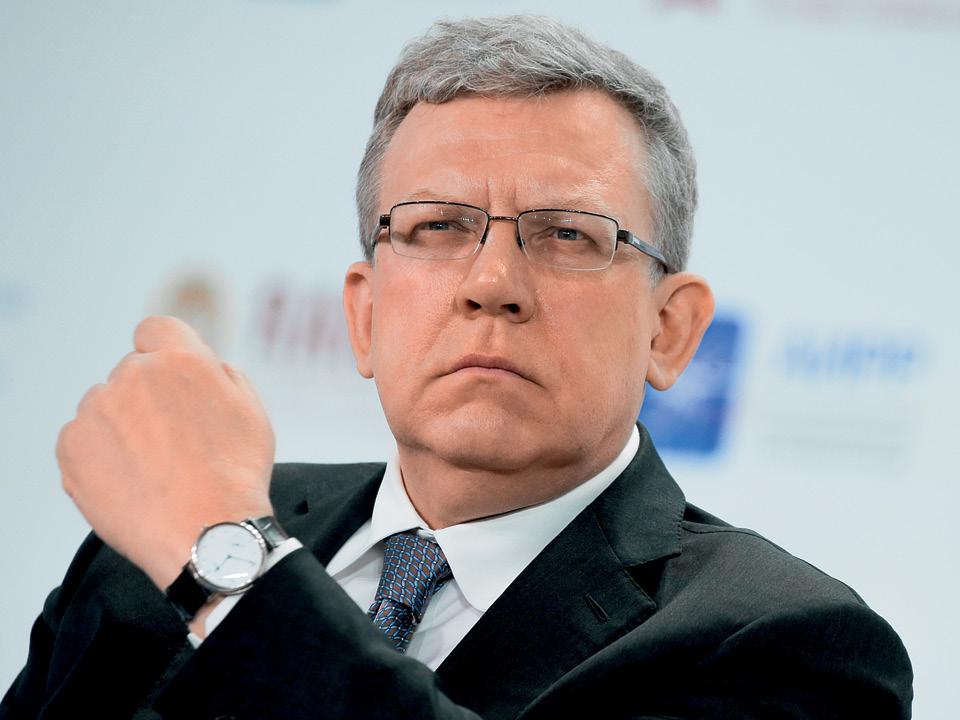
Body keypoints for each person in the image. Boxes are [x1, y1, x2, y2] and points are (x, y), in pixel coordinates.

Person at [1, 15, 912, 720]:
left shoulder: (789, 644)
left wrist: (231, 574)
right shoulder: (152, 548)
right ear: (364, 314)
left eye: (567, 235)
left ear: (669, 330)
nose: (491, 284)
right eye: (437, 226)